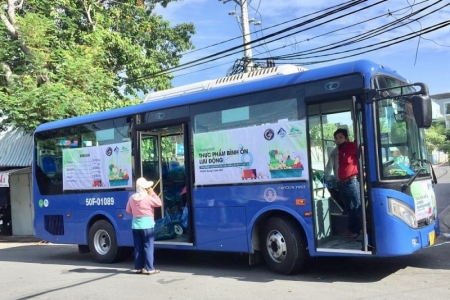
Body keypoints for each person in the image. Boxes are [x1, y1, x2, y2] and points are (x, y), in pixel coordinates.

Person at [126, 177, 162, 275]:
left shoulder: (132, 198)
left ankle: (138, 268)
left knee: (138, 247)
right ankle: (150, 269)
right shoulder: (148, 198)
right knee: (148, 247)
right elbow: (159, 203)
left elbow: (128, 210)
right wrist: (153, 193)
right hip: (147, 225)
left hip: (135, 225)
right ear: (145, 188)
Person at [334, 128, 362, 238]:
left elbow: (363, 149)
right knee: (349, 209)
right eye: (336, 138)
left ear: (346, 138)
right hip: (343, 183)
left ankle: (361, 231)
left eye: (341, 137)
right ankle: (351, 230)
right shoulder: (339, 150)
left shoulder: (352, 146)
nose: (338, 140)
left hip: (352, 182)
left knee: (357, 207)